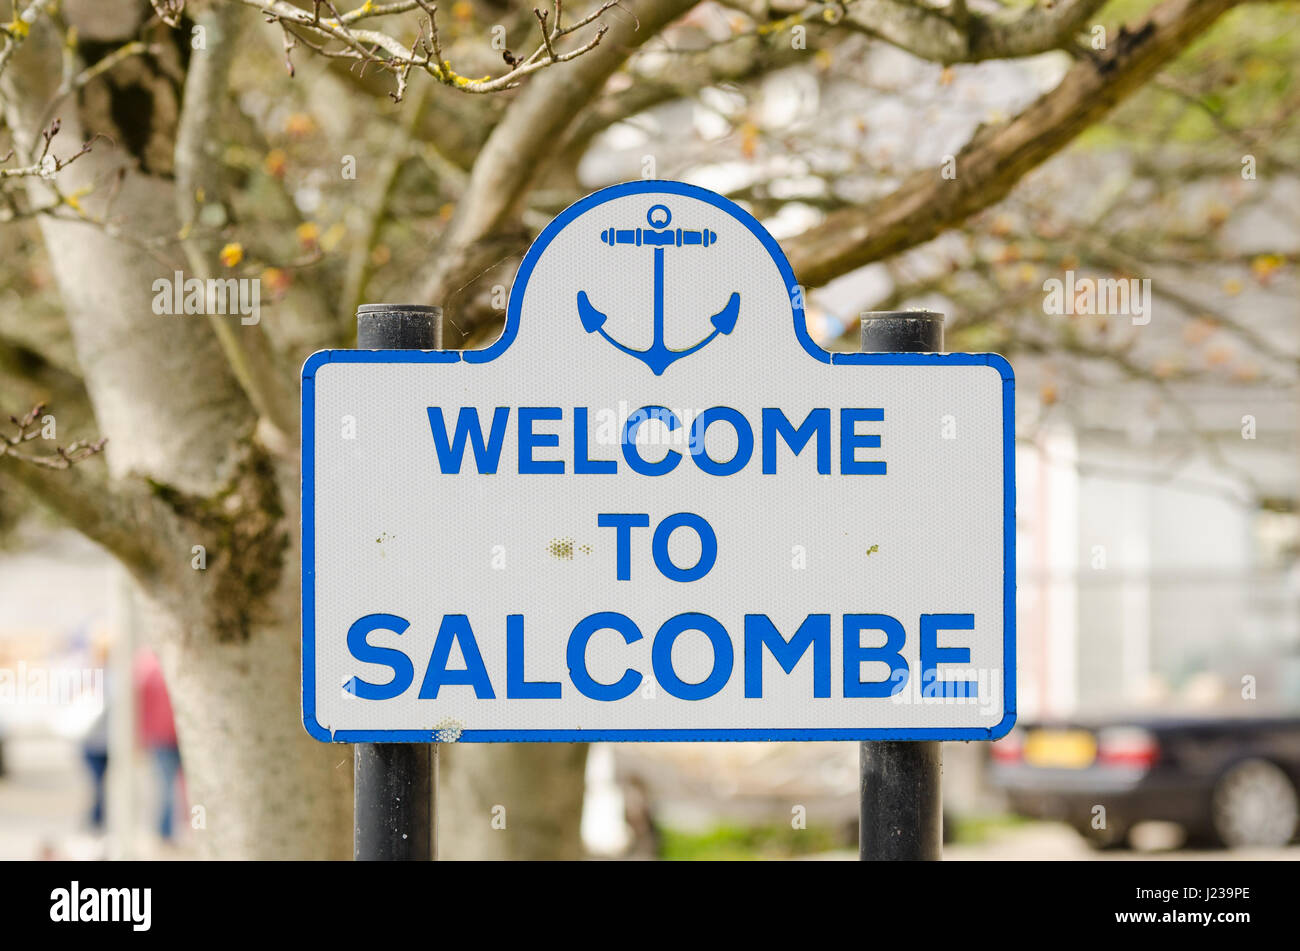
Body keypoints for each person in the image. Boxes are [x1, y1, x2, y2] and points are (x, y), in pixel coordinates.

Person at [135, 649, 182, 841]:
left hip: (171, 737)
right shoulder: (149, 667)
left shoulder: (148, 667)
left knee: (176, 788)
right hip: (163, 738)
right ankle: (166, 833)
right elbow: (140, 707)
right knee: (168, 788)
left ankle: (188, 830)